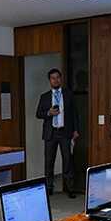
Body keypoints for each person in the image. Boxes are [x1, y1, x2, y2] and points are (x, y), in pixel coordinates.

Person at [36, 68, 80, 197]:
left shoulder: (68, 94)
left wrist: (76, 130)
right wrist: (48, 113)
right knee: (49, 161)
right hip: (50, 133)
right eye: (53, 78)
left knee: (68, 161)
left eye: (57, 77)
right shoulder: (44, 96)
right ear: (49, 80)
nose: (55, 80)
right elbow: (38, 114)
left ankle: (70, 188)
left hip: (65, 132)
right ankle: (49, 187)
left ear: (61, 79)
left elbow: (75, 114)